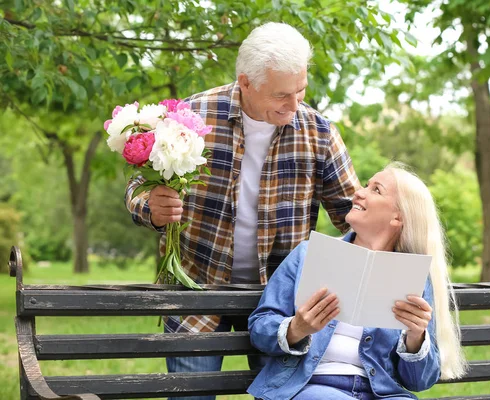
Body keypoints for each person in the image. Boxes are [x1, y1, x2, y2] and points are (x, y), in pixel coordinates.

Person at [125, 22, 361, 400]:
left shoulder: (318, 132)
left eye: (301, 90)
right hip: (197, 291)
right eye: (282, 95)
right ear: (246, 82)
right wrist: (150, 207)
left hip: (281, 304)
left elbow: (353, 213)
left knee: (284, 396)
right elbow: (137, 189)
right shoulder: (193, 117)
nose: (294, 105)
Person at [247, 163, 467, 400]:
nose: (359, 192)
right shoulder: (308, 254)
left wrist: (416, 337)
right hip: (310, 387)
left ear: (398, 217)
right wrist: (296, 329)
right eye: (366, 184)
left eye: (376, 190)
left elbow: (419, 382)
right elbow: (260, 327)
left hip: (382, 394)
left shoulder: (413, 277)